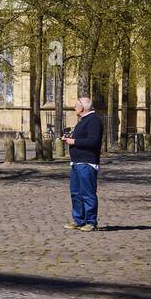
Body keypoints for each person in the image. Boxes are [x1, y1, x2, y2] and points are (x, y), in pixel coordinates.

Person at [63, 96, 104, 232]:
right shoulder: (83, 120)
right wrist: (70, 139)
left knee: (88, 193)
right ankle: (79, 220)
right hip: (76, 162)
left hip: (87, 163)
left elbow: (93, 141)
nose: (74, 107)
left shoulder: (94, 121)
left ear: (82, 107)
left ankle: (91, 221)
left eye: (76, 105)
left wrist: (74, 142)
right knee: (75, 193)